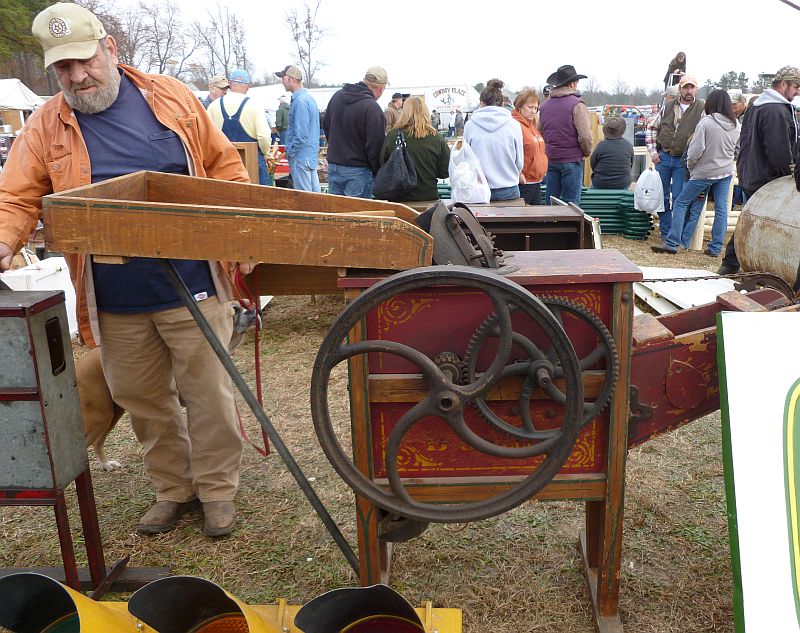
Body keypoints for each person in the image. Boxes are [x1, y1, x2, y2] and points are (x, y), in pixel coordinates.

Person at [0, 3, 250, 537]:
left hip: (193, 281)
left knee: (208, 393)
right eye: (63, 69)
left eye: (85, 61)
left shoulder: (172, 98)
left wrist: (242, 230)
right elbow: (16, 197)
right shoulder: (47, 125)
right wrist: (3, 240)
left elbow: (224, 163)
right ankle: (173, 488)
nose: (77, 76)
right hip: (112, 296)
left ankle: (217, 490)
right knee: (141, 399)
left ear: (110, 49)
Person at [717, 65, 800, 275]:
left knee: (750, 220)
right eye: (796, 86)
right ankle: (740, 263)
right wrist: (789, 173)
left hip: (752, 171)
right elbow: (778, 148)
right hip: (767, 177)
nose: (798, 91)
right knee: (761, 223)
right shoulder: (775, 110)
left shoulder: (759, 105)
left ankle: (730, 263)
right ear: (783, 84)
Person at [651, 90, 741, 256]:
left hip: (703, 172)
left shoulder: (706, 122)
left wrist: (691, 168)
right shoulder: (736, 124)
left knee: (680, 203)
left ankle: (672, 243)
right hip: (725, 171)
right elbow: (737, 150)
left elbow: (695, 151)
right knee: (722, 210)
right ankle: (715, 248)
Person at [645, 75, 705, 240]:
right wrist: (653, 152)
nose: (688, 91)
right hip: (664, 157)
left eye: (692, 87)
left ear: (696, 89)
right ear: (680, 89)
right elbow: (651, 128)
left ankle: (676, 234)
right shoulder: (668, 106)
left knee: (679, 198)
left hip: (683, 161)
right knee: (662, 197)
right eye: (685, 87)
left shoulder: (702, 109)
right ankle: (666, 232)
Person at [323, 66, 388, 198]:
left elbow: (327, 126)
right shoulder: (372, 108)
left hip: (334, 166)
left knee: (337, 216)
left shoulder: (337, 97)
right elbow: (375, 147)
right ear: (382, 88)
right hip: (358, 170)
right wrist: (377, 171)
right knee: (359, 216)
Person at [207, 69, 272, 185]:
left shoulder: (213, 106)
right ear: (248, 86)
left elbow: (207, 137)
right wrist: (266, 153)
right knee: (259, 199)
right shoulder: (254, 106)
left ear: (230, 84)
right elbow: (263, 137)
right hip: (252, 164)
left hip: (225, 165)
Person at [538, 64, 592, 204]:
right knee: (571, 205)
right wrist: (586, 152)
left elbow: (541, 131)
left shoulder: (544, 106)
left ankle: (550, 226)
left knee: (551, 201)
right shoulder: (577, 104)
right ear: (572, 84)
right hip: (571, 160)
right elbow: (585, 136)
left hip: (551, 159)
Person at [463, 78, 524, 202]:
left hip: (478, 188)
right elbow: (519, 161)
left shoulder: (470, 125)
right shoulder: (513, 125)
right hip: (508, 187)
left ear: (481, 102)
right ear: (501, 103)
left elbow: (466, 159)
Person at [379, 96, 450, 201]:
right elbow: (445, 172)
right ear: (425, 112)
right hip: (427, 196)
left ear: (404, 111)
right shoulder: (436, 138)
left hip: (399, 198)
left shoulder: (393, 135)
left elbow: (382, 163)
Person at [276, 64, 320, 193]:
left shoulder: (300, 101)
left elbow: (301, 135)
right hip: (309, 157)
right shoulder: (308, 99)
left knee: (305, 199)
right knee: (315, 197)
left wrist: (291, 152)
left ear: (291, 79)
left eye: (283, 79)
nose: (282, 82)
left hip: (300, 157)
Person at [511, 88, 547, 205]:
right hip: (524, 183)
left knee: (536, 220)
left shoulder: (532, 126)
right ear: (520, 107)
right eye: (530, 107)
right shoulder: (515, 126)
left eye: (536, 108)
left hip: (536, 182)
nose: (533, 111)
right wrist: (518, 173)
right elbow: (510, 152)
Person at [589, 116, 633, 190]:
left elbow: (592, 163)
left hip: (600, 183)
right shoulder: (628, 146)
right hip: (622, 183)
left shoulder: (601, 145)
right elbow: (630, 165)